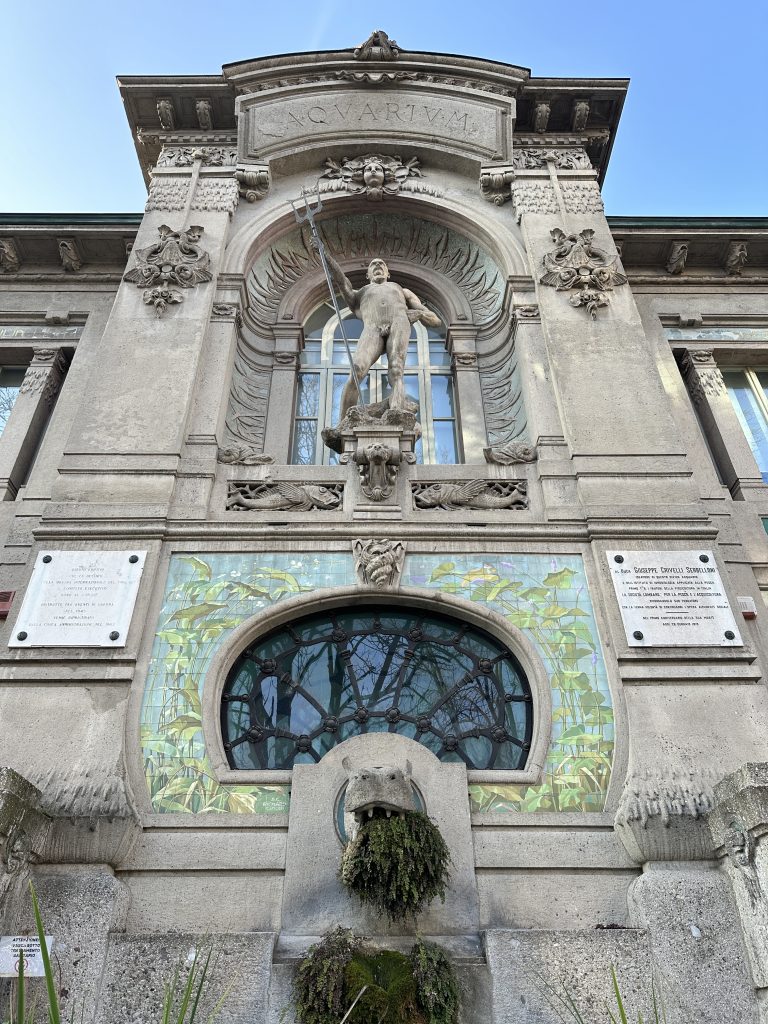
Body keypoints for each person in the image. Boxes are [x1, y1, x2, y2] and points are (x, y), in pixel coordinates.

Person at [318, 246, 441, 422]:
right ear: (367, 275)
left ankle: (397, 413)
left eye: (381, 264)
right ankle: (343, 423)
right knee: (357, 370)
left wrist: (419, 314)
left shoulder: (401, 290)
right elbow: (342, 281)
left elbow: (435, 320)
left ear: (388, 273)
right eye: (373, 264)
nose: (377, 265)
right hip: (373, 328)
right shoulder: (360, 294)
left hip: (398, 323)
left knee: (396, 368)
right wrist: (326, 255)